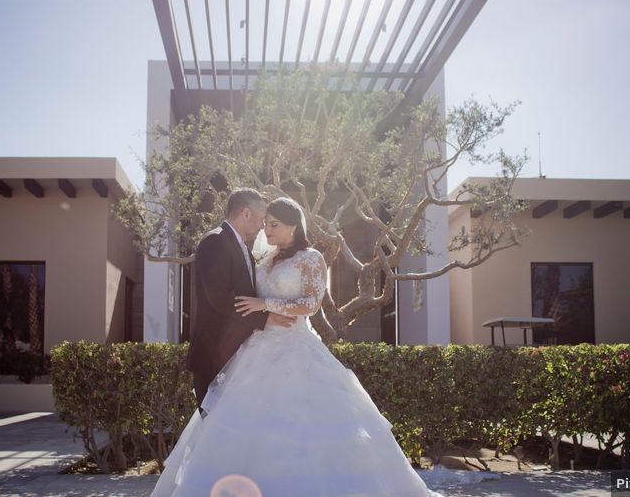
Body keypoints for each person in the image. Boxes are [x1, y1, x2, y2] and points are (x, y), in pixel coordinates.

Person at [152, 196, 447, 497]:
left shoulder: (312, 258)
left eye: (274, 225)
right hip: (256, 350)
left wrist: (265, 304)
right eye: (265, 224)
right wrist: (263, 314)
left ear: (294, 226)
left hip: (298, 348)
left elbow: (311, 303)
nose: (267, 231)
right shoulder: (263, 260)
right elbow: (236, 299)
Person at [185, 188, 296, 417]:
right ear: (246, 213)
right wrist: (267, 317)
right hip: (214, 355)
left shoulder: (244, 248)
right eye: (261, 219)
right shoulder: (215, 241)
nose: (262, 227)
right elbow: (219, 298)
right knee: (215, 433)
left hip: (238, 357)